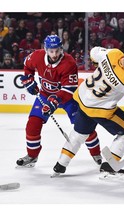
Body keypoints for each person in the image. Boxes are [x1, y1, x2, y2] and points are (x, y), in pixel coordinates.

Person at [52, 43, 124, 177]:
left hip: (83, 100)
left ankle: (60, 165)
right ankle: (109, 165)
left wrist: (100, 63)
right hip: (100, 109)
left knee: (79, 134)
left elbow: (94, 53)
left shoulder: (113, 54)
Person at [17, 35, 102, 168]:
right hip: (45, 95)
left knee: (84, 127)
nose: (54, 54)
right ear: (45, 49)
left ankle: (96, 153)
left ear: (61, 48)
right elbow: (27, 66)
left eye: (57, 50)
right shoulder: (37, 56)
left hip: (68, 99)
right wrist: (28, 80)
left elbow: (69, 89)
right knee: (32, 124)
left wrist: (54, 101)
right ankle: (32, 155)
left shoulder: (69, 63)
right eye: (51, 51)